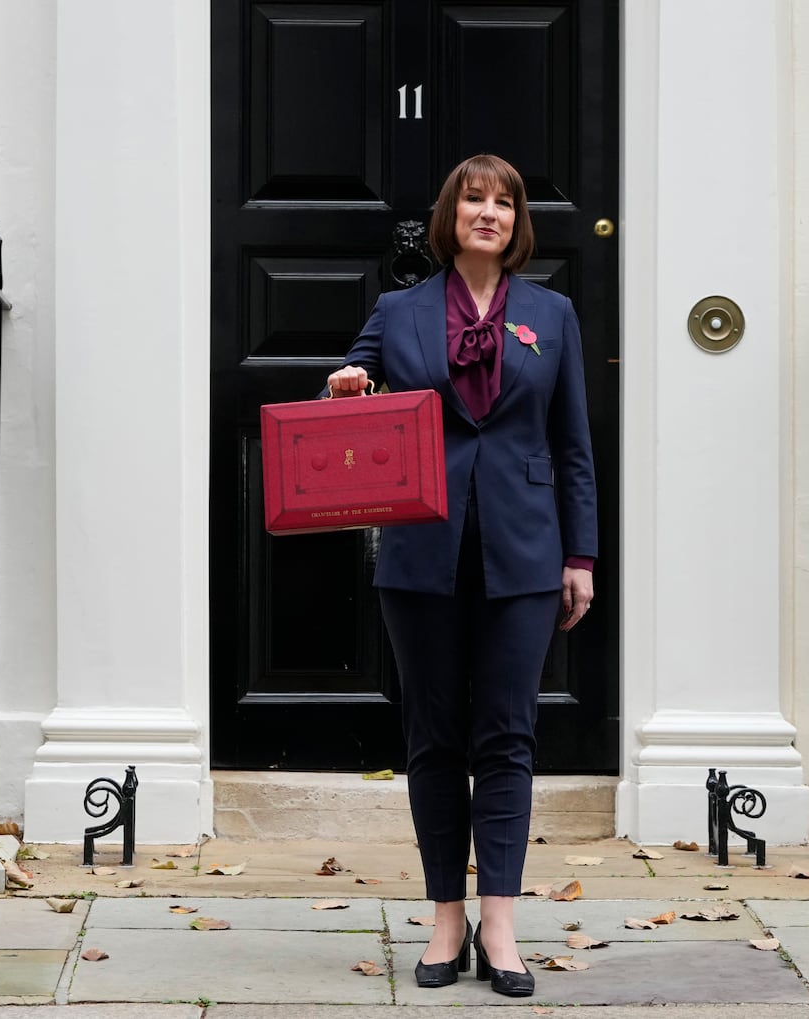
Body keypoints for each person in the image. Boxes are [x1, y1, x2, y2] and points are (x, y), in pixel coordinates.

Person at [324, 154, 597, 998]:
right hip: (422, 551)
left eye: (504, 201)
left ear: (518, 221)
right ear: (451, 215)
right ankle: (447, 915)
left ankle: (502, 922)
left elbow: (572, 445)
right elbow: (350, 394)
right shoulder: (399, 311)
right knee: (435, 739)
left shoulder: (552, 314)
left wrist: (579, 555)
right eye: (474, 199)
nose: (489, 212)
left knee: (507, 737)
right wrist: (345, 387)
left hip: (522, 550)